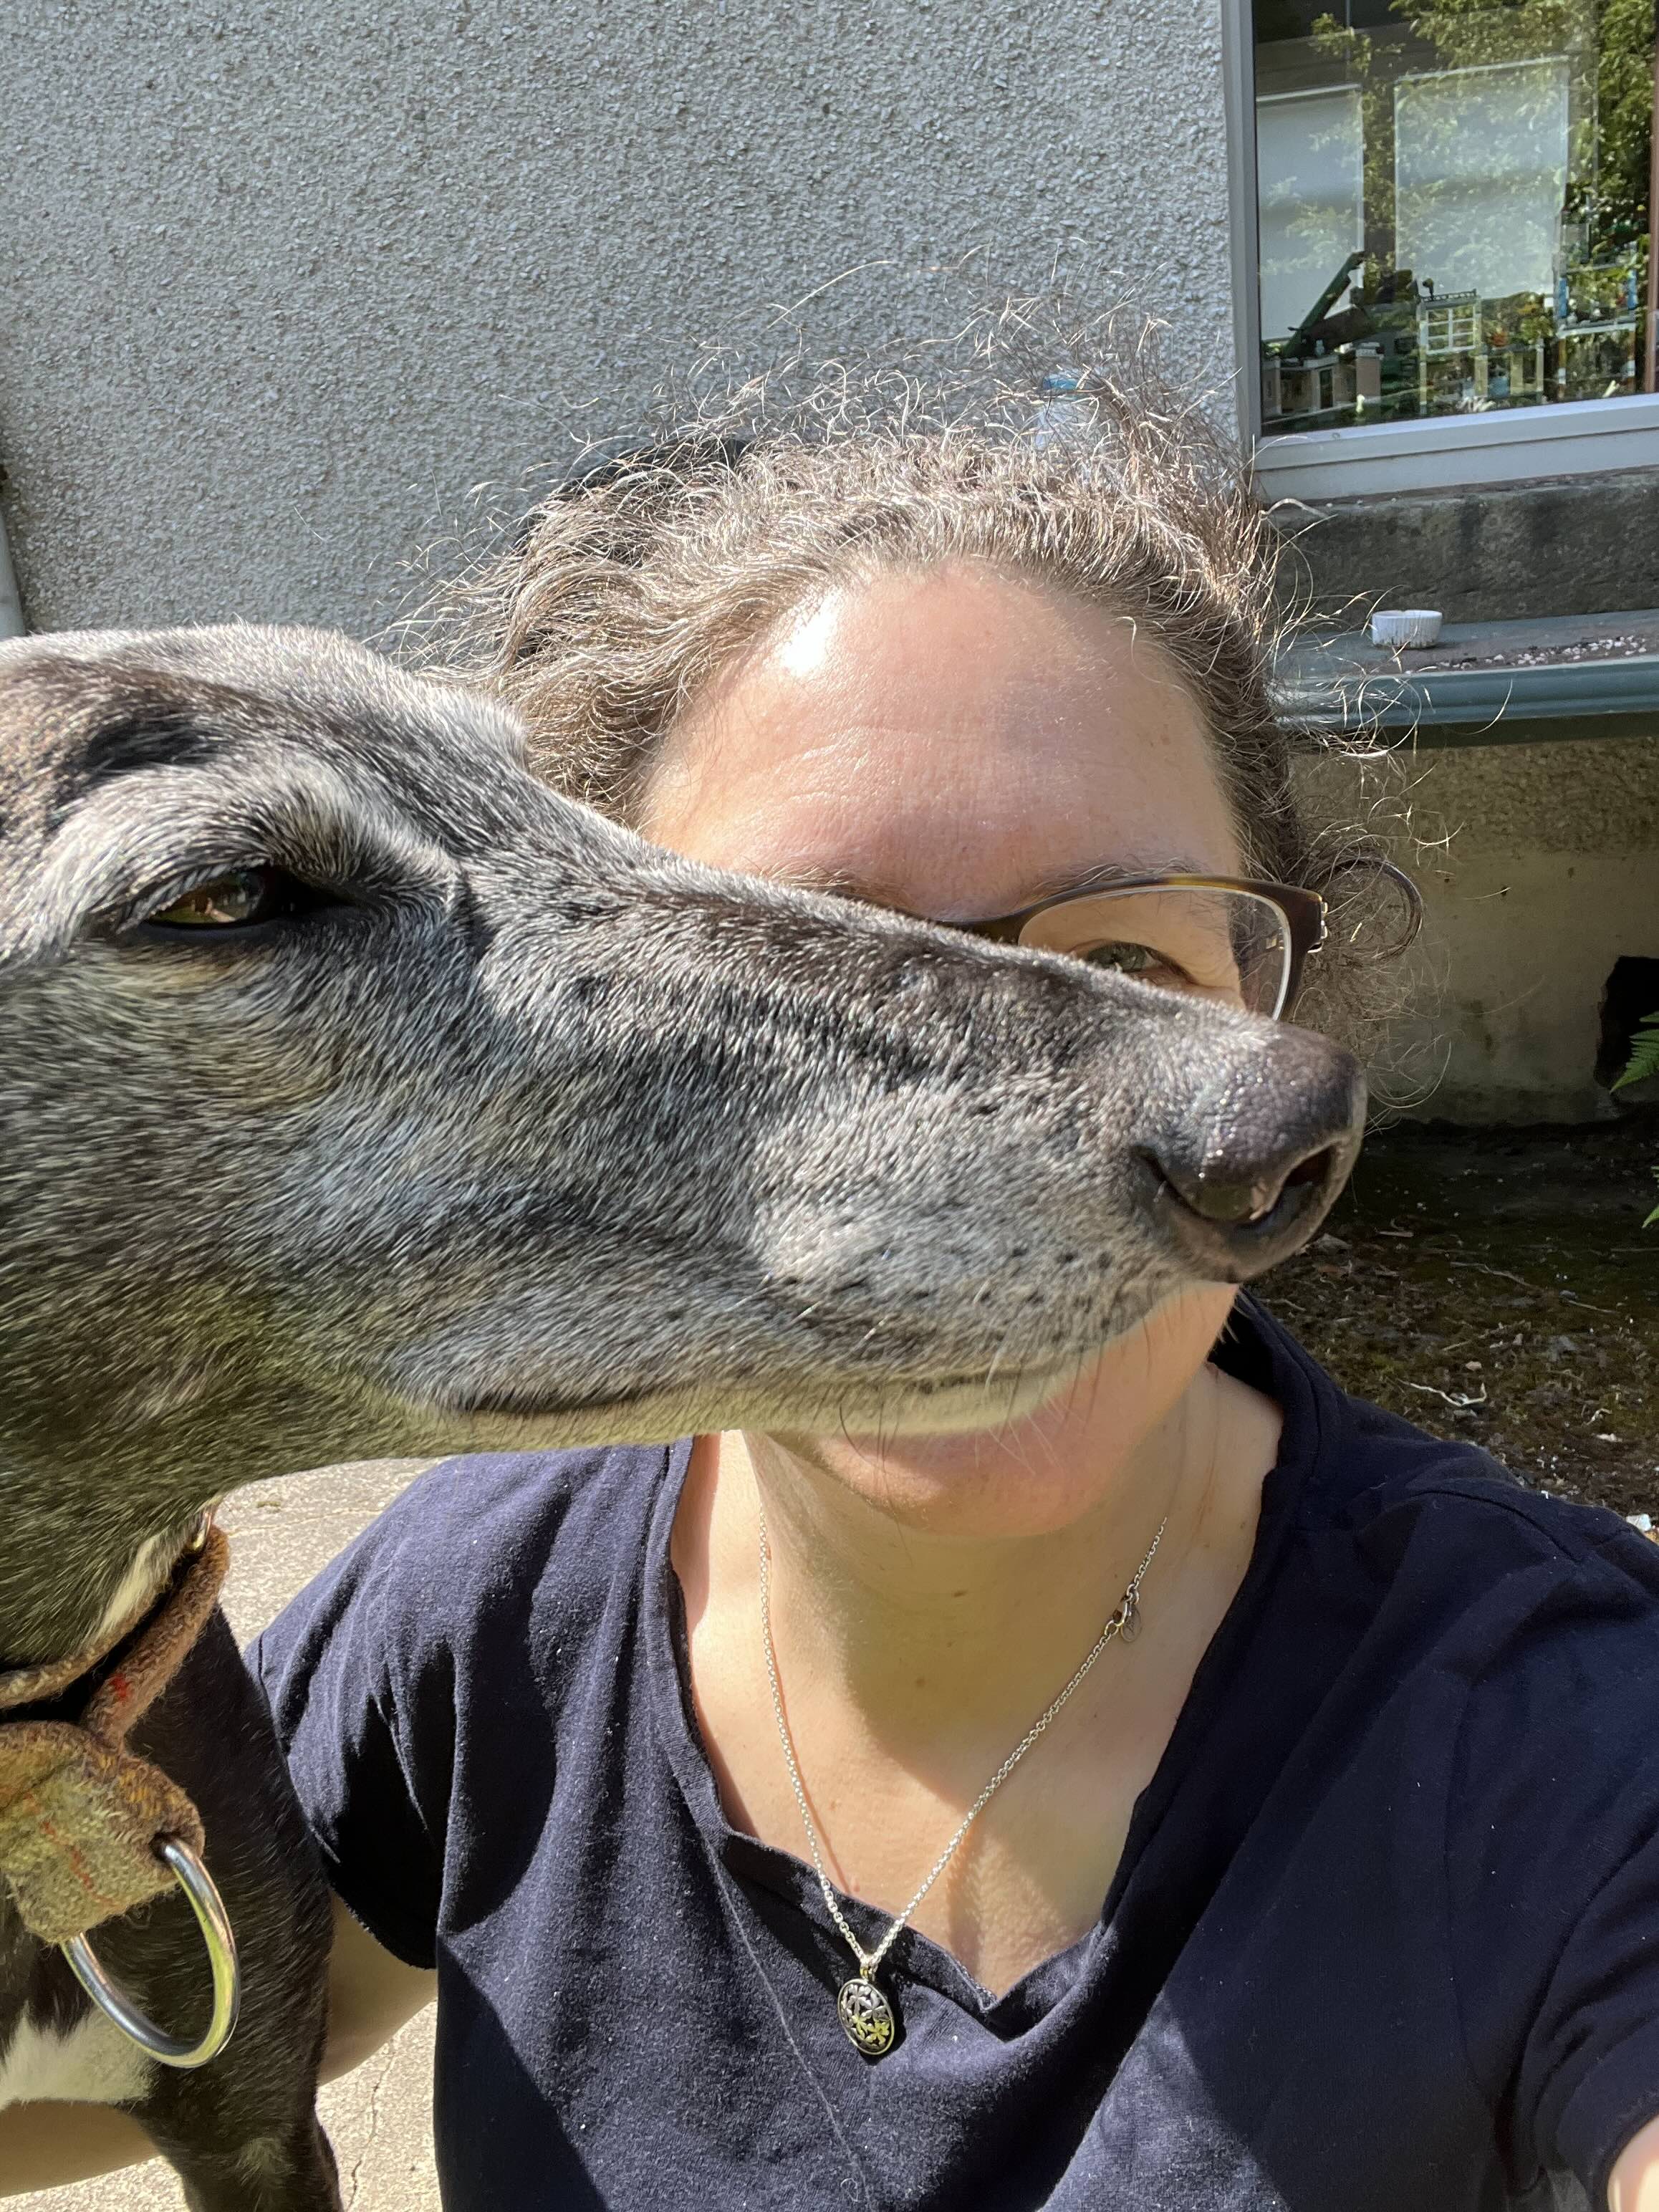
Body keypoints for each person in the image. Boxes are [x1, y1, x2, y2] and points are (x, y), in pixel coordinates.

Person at [8, 326, 1659, 2211]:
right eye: (781, 930)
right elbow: (138, 2055)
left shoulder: (1574, 1727)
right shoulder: (474, 1632)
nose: (1201, 1119)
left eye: (1136, 976)